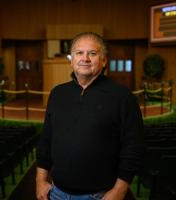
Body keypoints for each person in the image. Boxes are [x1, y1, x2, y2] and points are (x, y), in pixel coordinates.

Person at [36, 32, 144, 200]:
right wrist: (40, 180)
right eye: (79, 53)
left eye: (92, 53)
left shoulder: (123, 97)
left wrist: (119, 190)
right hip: (56, 192)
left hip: (100, 195)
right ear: (71, 60)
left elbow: (133, 146)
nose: (85, 58)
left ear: (104, 60)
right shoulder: (57, 93)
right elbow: (46, 140)